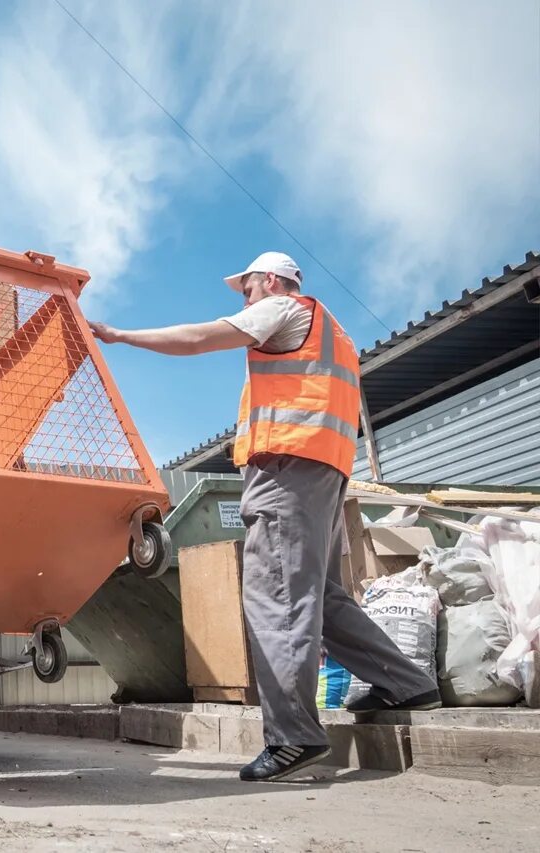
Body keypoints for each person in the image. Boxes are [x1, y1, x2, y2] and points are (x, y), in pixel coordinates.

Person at [89, 251, 440, 782]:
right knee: (318, 596)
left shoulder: (283, 308)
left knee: (276, 598)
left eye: (247, 288)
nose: (244, 299)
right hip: (322, 473)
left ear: (272, 281)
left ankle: (294, 735)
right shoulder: (331, 332)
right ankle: (408, 683)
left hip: (287, 471)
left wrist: (120, 335)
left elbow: (201, 338)